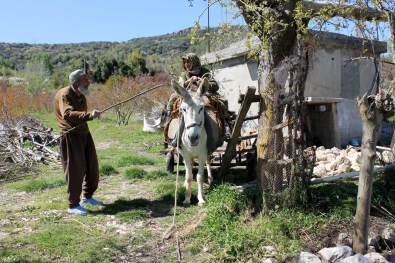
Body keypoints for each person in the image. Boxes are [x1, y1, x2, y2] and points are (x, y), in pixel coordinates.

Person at [54, 69, 103, 216]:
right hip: (71, 136)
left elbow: (82, 117)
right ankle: (73, 205)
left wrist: (88, 116)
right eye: (86, 80)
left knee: (92, 166)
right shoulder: (65, 94)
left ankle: (87, 197)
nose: (89, 82)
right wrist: (89, 115)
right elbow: (67, 114)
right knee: (76, 170)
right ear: (76, 82)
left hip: (84, 134)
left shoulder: (81, 95)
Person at [163, 53, 228, 147]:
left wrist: (201, 81)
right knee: (173, 99)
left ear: (194, 61)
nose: (186, 64)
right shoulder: (184, 74)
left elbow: (215, 85)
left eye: (188, 61)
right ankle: (167, 123)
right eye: (185, 62)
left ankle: (223, 128)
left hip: (202, 94)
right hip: (188, 96)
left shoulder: (204, 71)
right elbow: (180, 85)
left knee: (221, 102)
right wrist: (187, 82)